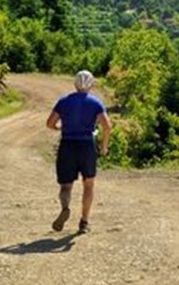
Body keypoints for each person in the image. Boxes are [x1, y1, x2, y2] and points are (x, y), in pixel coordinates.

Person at [46, 70, 112, 234]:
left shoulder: (63, 101)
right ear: (91, 84)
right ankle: (84, 222)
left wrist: (59, 128)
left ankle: (65, 208)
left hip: (67, 145)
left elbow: (49, 123)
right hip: (86, 146)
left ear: (75, 83)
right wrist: (104, 146)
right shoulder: (95, 103)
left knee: (66, 186)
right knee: (88, 185)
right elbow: (107, 126)